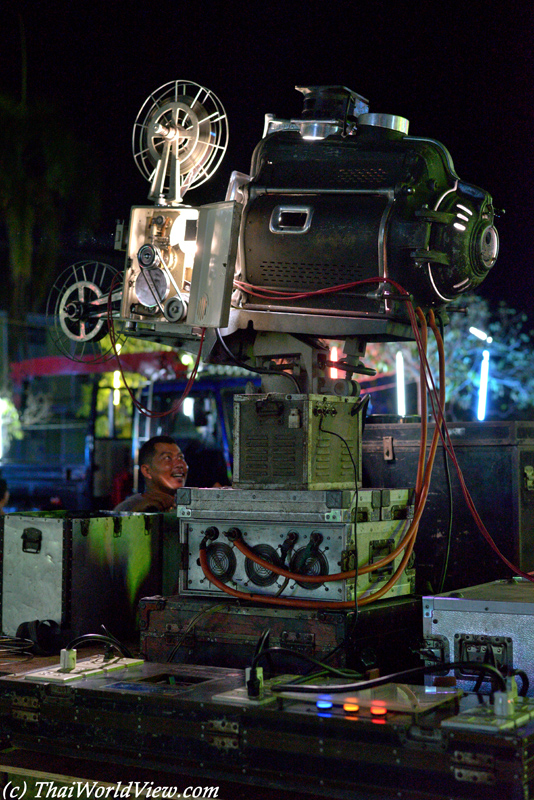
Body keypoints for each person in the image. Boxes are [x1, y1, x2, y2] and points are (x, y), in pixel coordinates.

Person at [113, 436, 188, 512]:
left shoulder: (190, 506)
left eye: (181, 457)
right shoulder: (129, 508)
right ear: (147, 471)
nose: (180, 464)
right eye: (168, 458)